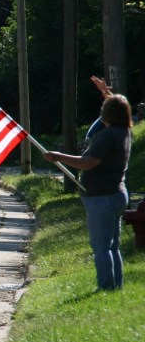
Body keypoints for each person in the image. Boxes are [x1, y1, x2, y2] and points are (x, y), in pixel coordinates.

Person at [43, 94, 133, 292]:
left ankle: (106, 286)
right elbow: (118, 105)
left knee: (101, 246)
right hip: (117, 194)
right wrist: (107, 93)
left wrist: (58, 156)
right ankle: (115, 285)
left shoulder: (109, 135)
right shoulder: (124, 132)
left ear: (107, 113)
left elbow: (88, 162)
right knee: (113, 245)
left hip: (102, 197)